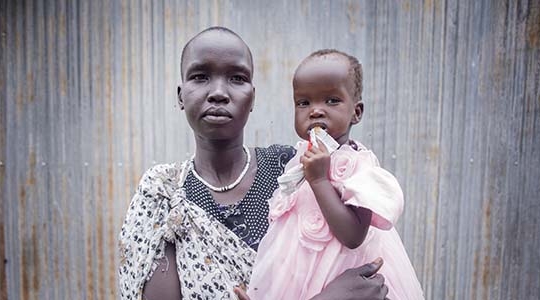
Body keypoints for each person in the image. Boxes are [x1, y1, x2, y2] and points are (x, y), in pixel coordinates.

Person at [118, 27, 391, 300]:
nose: (218, 93)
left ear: (253, 97)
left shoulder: (295, 170)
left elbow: (364, 260)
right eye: (200, 77)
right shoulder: (163, 193)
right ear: (181, 95)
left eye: (237, 78)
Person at [246, 49, 424, 300]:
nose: (315, 111)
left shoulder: (361, 168)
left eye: (331, 100)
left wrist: (319, 180)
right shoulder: (298, 159)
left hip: (349, 285)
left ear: (357, 112)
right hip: (299, 282)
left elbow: (353, 237)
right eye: (303, 102)